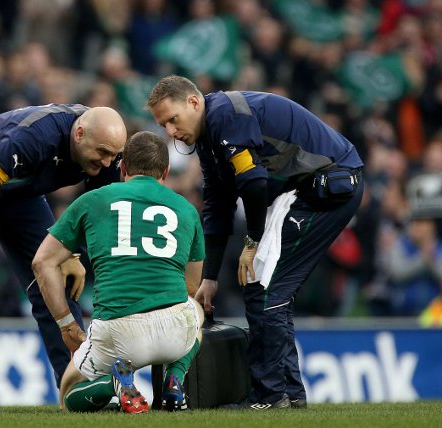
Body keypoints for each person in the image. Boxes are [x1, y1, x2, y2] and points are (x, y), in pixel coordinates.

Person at [147, 75, 364, 409]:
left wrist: (252, 242)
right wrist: (210, 277)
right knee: (267, 287)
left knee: (264, 285)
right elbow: (218, 205)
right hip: (315, 185)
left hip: (326, 181)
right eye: (164, 125)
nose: (171, 132)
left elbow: (253, 185)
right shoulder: (209, 134)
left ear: (193, 102)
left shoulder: (224, 116)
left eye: (173, 120)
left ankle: (270, 394)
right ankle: (288, 395)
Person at [0, 104, 127, 412]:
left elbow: (95, 208)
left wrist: (73, 252)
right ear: (79, 134)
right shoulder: (37, 138)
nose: (106, 162)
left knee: (57, 283)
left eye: (114, 156)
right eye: (102, 152)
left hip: (19, 193)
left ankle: (78, 387)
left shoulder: (106, 155)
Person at [32, 131, 205, 413]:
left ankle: (112, 385)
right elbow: (191, 286)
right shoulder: (187, 209)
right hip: (174, 332)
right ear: (165, 170)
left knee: (67, 396)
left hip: (116, 331)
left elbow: (42, 262)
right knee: (196, 308)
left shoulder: (93, 199)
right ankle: (175, 378)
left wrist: (67, 325)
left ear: (122, 168)